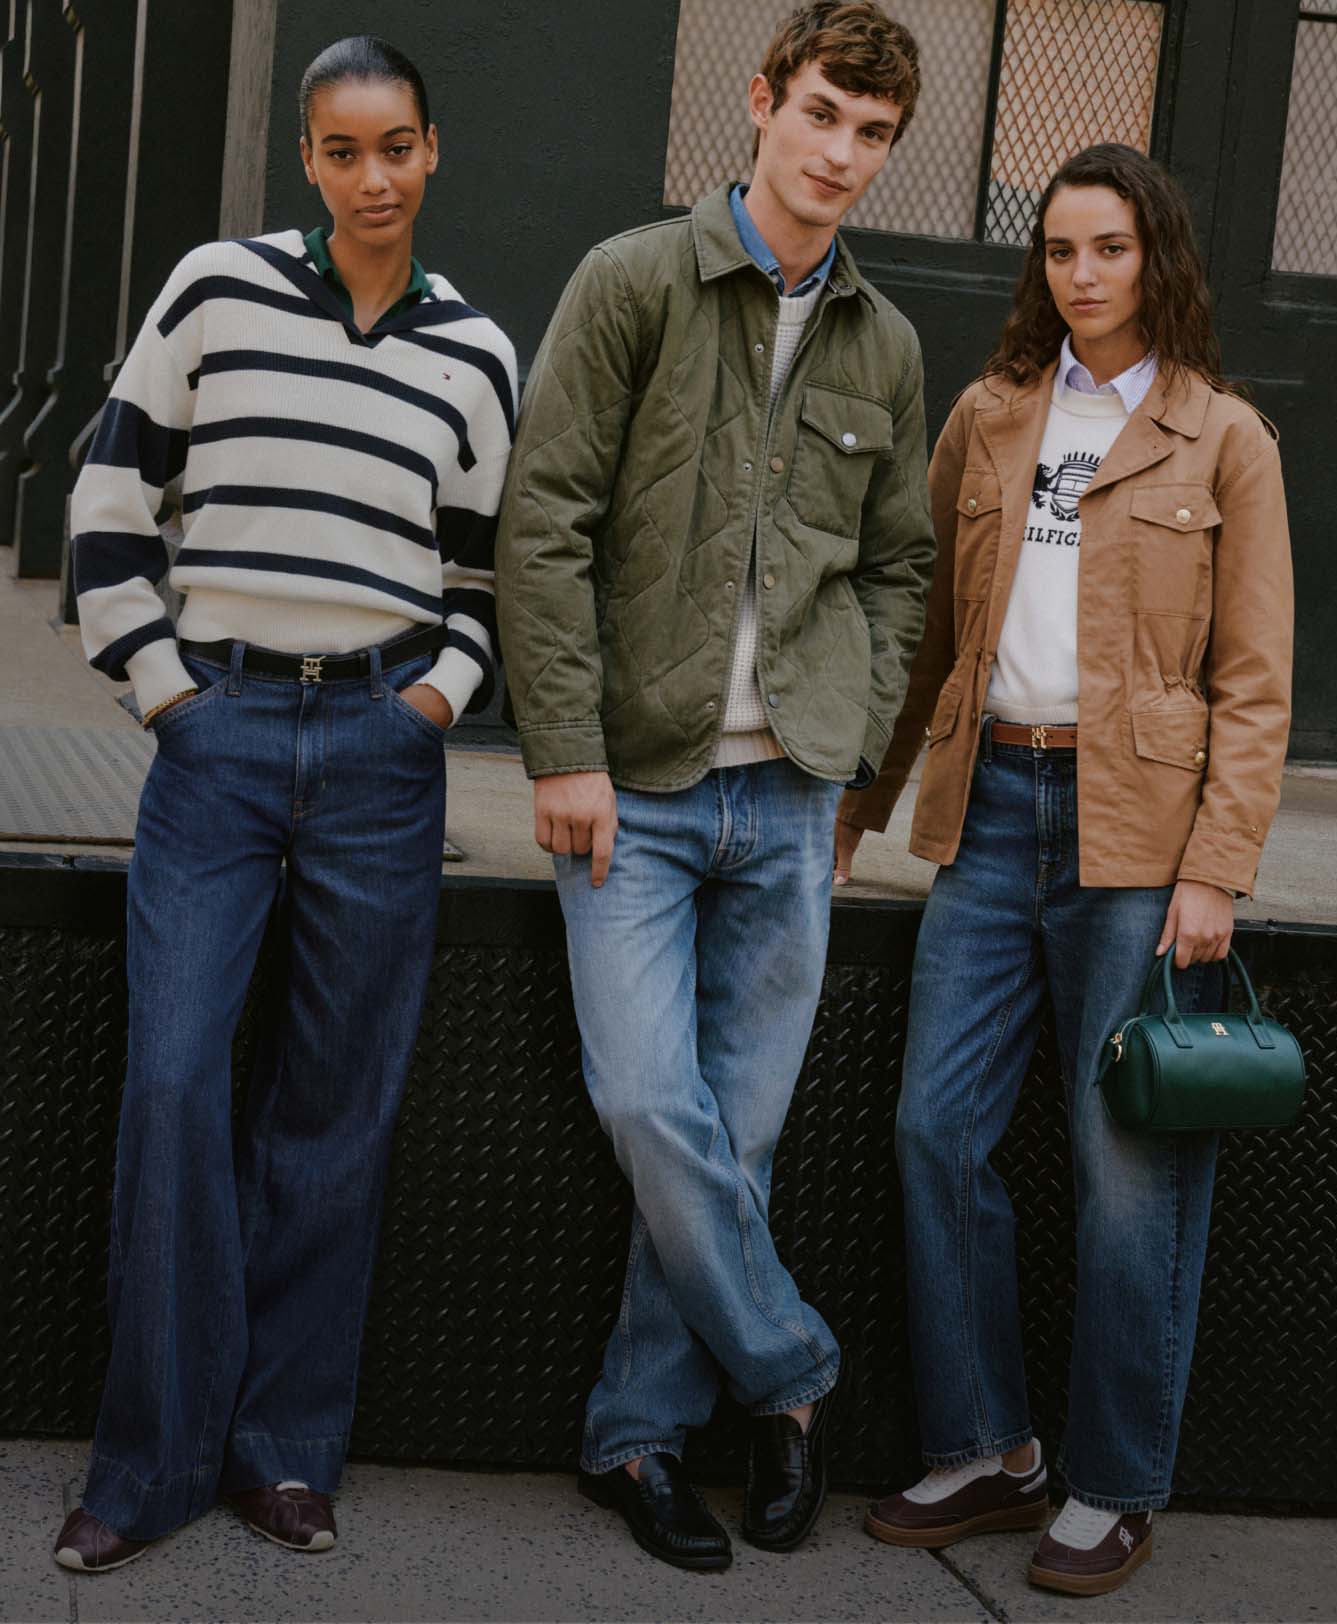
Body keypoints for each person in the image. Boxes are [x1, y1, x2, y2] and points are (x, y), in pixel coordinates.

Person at [52, 36, 516, 1571]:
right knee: (178, 1084)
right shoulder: (213, 289)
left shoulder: (477, 351)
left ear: (432, 151)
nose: (369, 178)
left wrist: (432, 704)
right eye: (339, 151)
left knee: (333, 1111)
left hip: (382, 754)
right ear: (305, 161)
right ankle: (149, 1462)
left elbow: (480, 581)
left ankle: (284, 1452)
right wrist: (169, 692)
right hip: (223, 735)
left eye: (394, 147)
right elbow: (109, 501)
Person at [496, 0, 934, 1575]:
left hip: (791, 800)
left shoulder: (885, 340)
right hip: (637, 789)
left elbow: (898, 572)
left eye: (872, 134)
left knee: (728, 1146)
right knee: (645, 1102)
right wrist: (561, 750)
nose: (840, 154)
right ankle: (793, 1379)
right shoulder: (633, 280)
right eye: (821, 113)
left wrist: (852, 747)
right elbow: (539, 525)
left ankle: (637, 1432)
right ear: (760, 102)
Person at [836, 144, 1293, 1597]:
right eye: (1057, 250)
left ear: (1154, 258)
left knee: (1126, 1179)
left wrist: (1214, 868)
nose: (1081, 275)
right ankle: (986, 1447)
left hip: (1138, 841)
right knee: (931, 1129)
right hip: (992, 813)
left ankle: (1112, 1482)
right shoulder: (987, 417)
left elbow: (1255, 681)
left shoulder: (1223, 439)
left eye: (1108, 249)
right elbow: (925, 633)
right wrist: (863, 796)